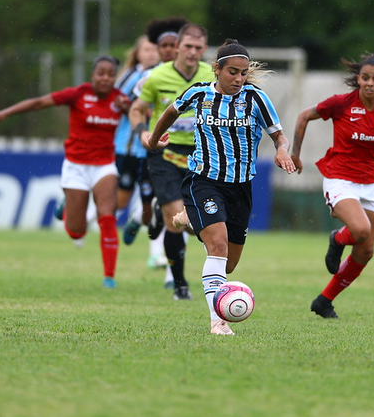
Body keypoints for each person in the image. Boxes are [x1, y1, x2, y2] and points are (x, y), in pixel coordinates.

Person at [147, 39, 296, 335]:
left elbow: (279, 136)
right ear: (217, 69)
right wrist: (154, 140)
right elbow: (171, 111)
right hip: (204, 180)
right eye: (232, 72)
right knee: (217, 246)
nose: (238, 79)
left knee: (228, 266)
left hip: (240, 187)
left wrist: (281, 150)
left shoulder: (255, 98)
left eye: (243, 73)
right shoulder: (199, 93)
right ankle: (218, 321)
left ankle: (190, 217)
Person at [0, 56, 130, 289]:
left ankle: (109, 277)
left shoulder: (120, 100)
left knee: (107, 215)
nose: (106, 77)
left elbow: (143, 117)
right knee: (77, 232)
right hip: (76, 166)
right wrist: (5, 113)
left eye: (111, 74)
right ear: (92, 75)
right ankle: (68, 208)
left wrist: (130, 110)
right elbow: (39, 102)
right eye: (101, 72)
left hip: (104, 165)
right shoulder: (78, 94)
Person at [291, 52, 374, 319]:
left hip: (369, 182)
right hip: (339, 177)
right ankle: (337, 238)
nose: (369, 83)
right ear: (358, 79)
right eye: (365, 77)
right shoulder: (341, 103)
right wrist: (295, 153)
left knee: (366, 250)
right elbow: (303, 116)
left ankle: (324, 301)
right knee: (360, 229)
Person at [129, 22, 212, 301]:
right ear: (177, 47)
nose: (192, 52)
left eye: (198, 48)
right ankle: (179, 284)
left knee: (194, 221)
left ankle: (157, 208)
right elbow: (137, 109)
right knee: (178, 221)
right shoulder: (156, 76)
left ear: (204, 50)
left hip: (201, 155)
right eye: (187, 46)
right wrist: (143, 133)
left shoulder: (211, 76)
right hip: (163, 152)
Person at [119, 18, 188, 281]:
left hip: (190, 151)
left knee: (181, 209)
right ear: (158, 49)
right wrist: (145, 128)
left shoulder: (198, 74)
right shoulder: (150, 77)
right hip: (155, 150)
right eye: (165, 46)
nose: (170, 50)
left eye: (175, 45)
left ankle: (172, 274)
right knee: (154, 208)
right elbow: (133, 105)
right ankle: (141, 218)